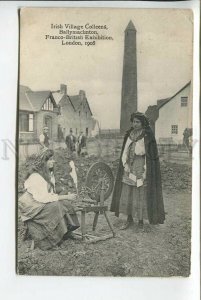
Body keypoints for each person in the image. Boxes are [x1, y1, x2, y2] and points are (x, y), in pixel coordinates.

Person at [110, 112, 165, 229]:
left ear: (142, 122)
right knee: (128, 190)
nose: (135, 124)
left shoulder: (147, 135)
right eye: (134, 122)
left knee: (140, 190)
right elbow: (125, 150)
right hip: (130, 167)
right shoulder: (129, 134)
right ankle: (129, 219)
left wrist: (146, 170)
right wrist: (125, 163)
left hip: (141, 166)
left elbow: (150, 156)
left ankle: (140, 220)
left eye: (137, 122)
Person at [18, 149, 80, 250]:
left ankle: (67, 233)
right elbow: (43, 198)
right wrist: (65, 196)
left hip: (40, 200)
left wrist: (64, 194)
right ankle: (51, 241)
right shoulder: (36, 177)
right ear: (43, 162)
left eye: (53, 159)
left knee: (65, 203)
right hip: (32, 206)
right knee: (56, 206)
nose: (53, 161)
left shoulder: (48, 174)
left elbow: (50, 192)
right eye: (49, 160)